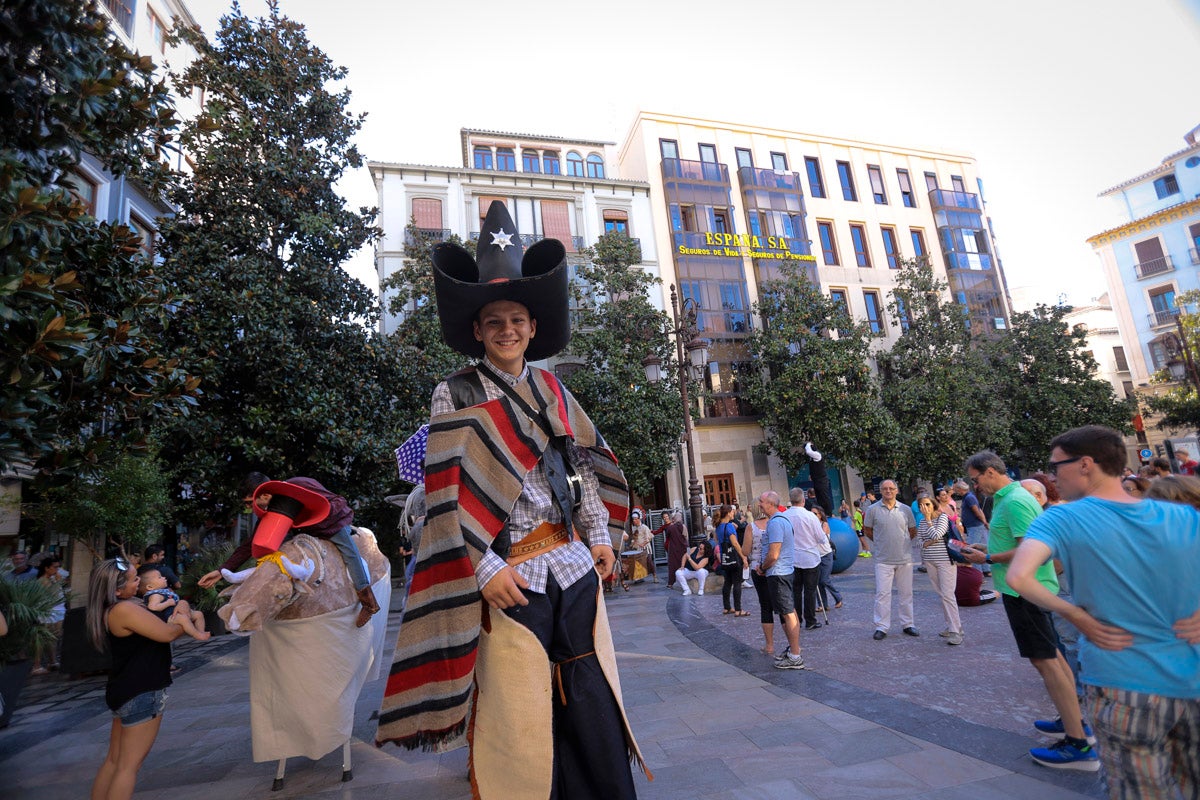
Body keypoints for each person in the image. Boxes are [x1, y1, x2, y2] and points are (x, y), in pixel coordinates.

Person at [376, 201, 644, 798]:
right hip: (508, 577)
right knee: (519, 714)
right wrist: (482, 566)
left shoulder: (553, 388)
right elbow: (442, 494)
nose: (506, 329)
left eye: (517, 319)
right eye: (494, 320)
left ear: (532, 326)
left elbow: (583, 468)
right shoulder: (454, 393)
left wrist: (600, 537)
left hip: (572, 566)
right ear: (477, 329)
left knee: (592, 700)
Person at [1008, 425, 1200, 796]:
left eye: (1055, 465)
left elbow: (1020, 576)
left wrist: (1076, 615)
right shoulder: (1181, 517)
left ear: (1085, 464)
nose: (1051, 475)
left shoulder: (1061, 518)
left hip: (1123, 683)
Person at [960, 451, 1097, 771]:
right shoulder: (1010, 498)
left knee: (1046, 660)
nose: (974, 484)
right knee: (1054, 656)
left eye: (975, 477)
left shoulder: (1016, 499)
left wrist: (988, 560)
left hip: (1028, 591)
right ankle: (1073, 722)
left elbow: (1030, 547)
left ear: (991, 472)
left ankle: (1077, 745)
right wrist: (987, 549)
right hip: (1023, 589)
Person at [197, 475, 381, 627]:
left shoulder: (301, 484)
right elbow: (251, 542)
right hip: (304, 533)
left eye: (249, 502)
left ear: (264, 494)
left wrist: (322, 513)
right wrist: (222, 570)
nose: (249, 508)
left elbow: (336, 500)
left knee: (350, 553)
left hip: (329, 525)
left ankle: (369, 603)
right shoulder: (273, 510)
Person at [87, 557, 192, 800]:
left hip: (124, 689)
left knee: (114, 762)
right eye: (135, 579)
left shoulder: (114, 608)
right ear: (116, 589)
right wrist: (183, 614)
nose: (139, 583)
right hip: (142, 691)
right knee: (127, 768)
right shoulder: (124, 609)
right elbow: (167, 634)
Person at [863, 480, 918, 640]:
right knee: (882, 594)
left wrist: (903, 543)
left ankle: (908, 624)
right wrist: (881, 543)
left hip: (904, 559)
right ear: (880, 491)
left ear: (896, 490)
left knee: (906, 593)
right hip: (883, 559)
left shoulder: (905, 509)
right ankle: (882, 626)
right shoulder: (872, 510)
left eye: (891, 488)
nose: (888, 491)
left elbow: (912, 530)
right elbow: (868, 530)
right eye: (885, 489)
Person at [756, 491, 804, 669]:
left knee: (788, 613)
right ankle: (793, 649)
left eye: (761, 501)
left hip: (778, 573)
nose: (759, 505)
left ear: (770, 503)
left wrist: (762, 567)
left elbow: (773, 554)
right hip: (782, 572)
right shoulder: (780, 520)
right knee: (788, 611)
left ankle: (795, 655)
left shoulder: (776, 523)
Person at [916, 497, 962, 645]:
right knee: (942, 594)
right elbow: (919, 542)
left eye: (927, 504)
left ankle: (956, 631)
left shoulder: (942, 517)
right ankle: (952, 625)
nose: (925, 507)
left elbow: (937, 534)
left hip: (945, 561)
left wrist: (929, 521)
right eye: (921, 505)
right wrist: (929, 541)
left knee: (948, 594)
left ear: (933, 504)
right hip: (930, 561)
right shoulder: (922, 522)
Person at [784, 488, 824, 631]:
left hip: (792, 558)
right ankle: (810, 620)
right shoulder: (810, 516)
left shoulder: (784, 516)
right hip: (810, 558)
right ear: (803, 500)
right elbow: (820, 538)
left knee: (795, 591)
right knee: (810, 590)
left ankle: (796, 620)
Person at [136, 566, 208, 641]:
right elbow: (153, 607)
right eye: (159, 577)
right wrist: (167, 603)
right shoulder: (155, 595)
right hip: (169, 617)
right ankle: (196, 634)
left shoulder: (164, 591)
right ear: (150, 587)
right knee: (184, 619)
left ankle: (201, 631)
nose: (164, 578)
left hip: (176, 613)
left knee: (198, 614)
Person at [714, 505, 748, 615]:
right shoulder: (729, 526)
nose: (733, 513)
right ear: (728, 513)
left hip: (725, 558)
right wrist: (743, 556)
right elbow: (735, 543)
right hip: (734, 557)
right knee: (737, 583)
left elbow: (717, 540)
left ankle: (727, 607)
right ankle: (738, 609)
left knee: (727, 582)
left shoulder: (718, 527)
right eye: (732, 512)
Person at [811, 507, 842, 612]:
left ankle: (838, 597)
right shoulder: (811, 525)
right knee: (818, 582)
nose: (813, 515)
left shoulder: (824, 524)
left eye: (815, 513)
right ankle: (823, 604)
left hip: (826, 555)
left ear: (820, 515)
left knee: (824, 579)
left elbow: (821, 537)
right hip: (816, 556)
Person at [955, 479, 990, 576]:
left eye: (956, 489)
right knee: (980, 546)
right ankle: (986, 569)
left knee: (971, 549)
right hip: (975, 526)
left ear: (960, 489)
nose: (955, 492)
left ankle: (978, 573)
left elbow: (977, 511)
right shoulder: (968, 497)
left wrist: (984, 522)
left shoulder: (969, 497)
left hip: (975, 526)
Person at [626, 510, 656, 584]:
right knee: (638, 563)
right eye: (633, 519)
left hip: (645, 548)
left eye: (636, 519)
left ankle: (655, 576)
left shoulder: (644, 527)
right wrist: (632, 544)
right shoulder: (633, 528)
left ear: (639, 519)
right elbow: (634, 538)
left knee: (649, 562)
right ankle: (640, 578)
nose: (634, 521)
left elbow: (649, 537)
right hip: (637, 548)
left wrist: (643, 543)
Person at [663, 510, 688, 589]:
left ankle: (671, 583)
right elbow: (686, 536)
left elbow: (668, 536)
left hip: (673, 549)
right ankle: (685, 580)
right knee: (683, 564)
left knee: (673, 566)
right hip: (682, 548)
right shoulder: (683, 526)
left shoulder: (670, 527)